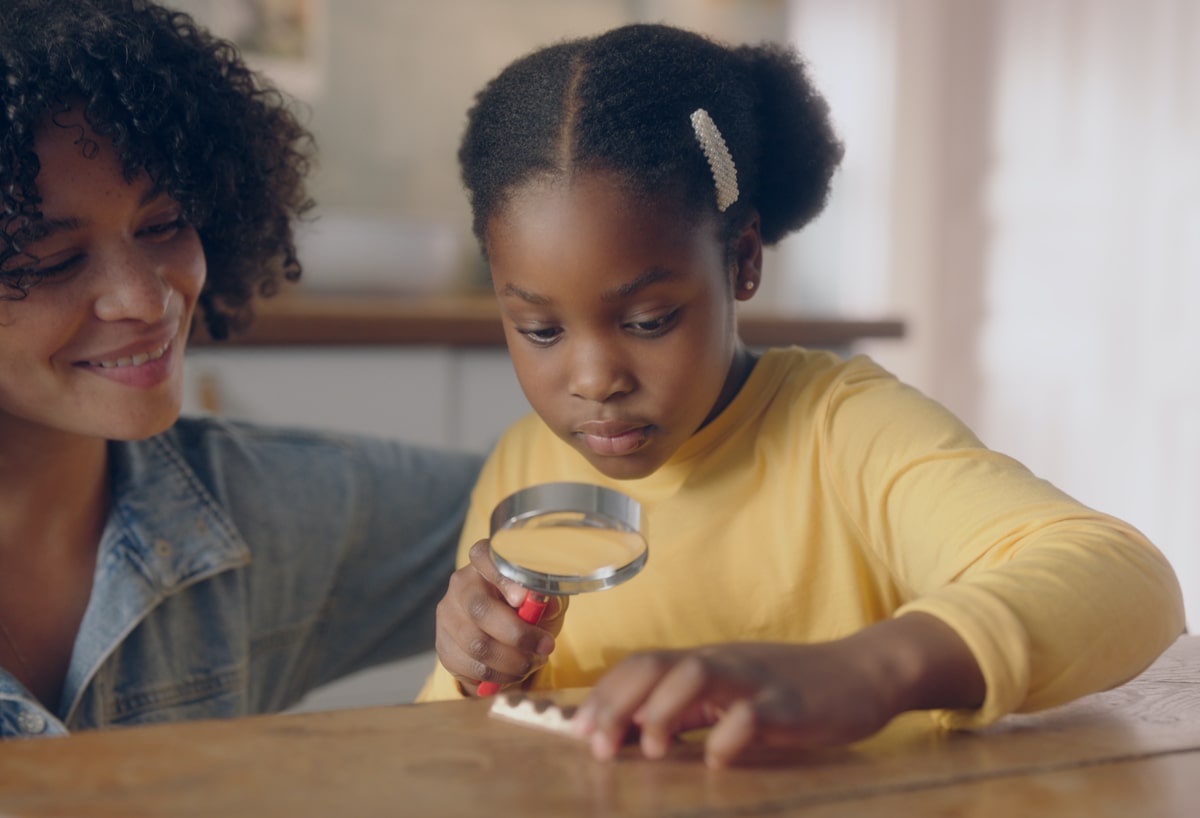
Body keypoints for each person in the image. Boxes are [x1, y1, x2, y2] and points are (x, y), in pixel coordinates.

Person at [418, 23, 1185, 768]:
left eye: (648, 320)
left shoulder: (842, 429)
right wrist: (480, 668)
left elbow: (1126, 581)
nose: (593, 380)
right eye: (540, 330)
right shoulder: (525, 464)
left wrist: (868, 670)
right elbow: (462, 743)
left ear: (743, 259)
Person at [0, 0, 481, 739]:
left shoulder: (259, 513)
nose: (147, 298)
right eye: (54, 261)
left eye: (164, 224)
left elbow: (556, 506)